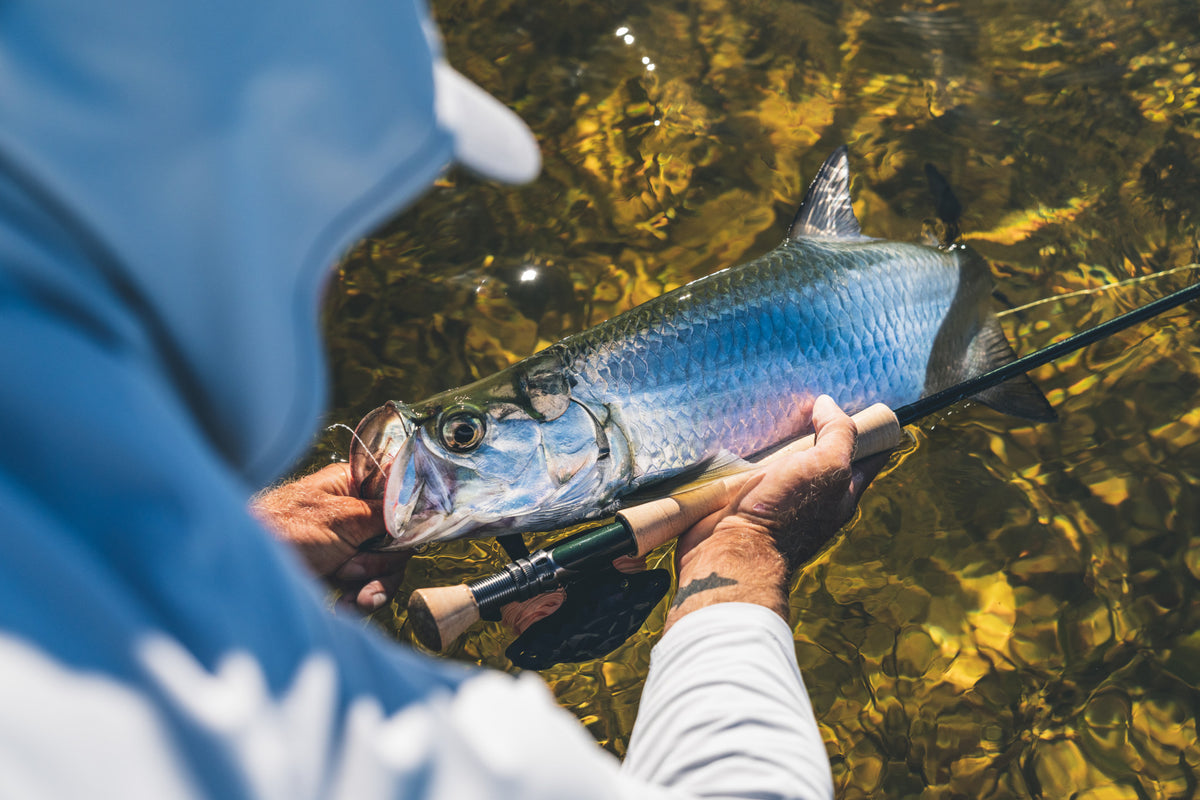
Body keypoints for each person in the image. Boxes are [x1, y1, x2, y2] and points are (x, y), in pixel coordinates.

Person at [0, 0, 881, 797]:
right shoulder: (342, 744)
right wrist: (746, 558)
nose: (339, 271)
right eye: (340, 211)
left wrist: (222, 552)